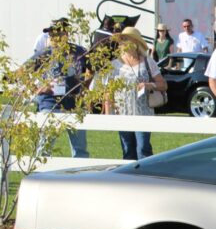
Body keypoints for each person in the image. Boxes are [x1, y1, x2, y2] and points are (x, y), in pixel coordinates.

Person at [99, 27, 168, 160]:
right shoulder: (114, 65)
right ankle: (129, 180)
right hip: (123, 114)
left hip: (143, 114)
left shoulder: (148, 62)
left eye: (126, 39)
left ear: (135, 42)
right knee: (127, 150)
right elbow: (109, 92)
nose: (123, 43)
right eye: (122, 40)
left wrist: (149, 85)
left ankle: (146, 178)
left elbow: (163, 85)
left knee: (143, 148)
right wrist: (108, 115)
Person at [28, 18, 89, 158]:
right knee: (45, 147)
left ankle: (79, 179)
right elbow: (22, 73)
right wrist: (38, 89)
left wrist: (84, 86)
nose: (53, 37)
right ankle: (41, 178)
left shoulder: (79, 51)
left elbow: (94, 68)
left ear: (66, 34)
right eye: (51, 34)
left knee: (80, 149)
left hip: (74, 104)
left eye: (56, 33)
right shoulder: (45, 54)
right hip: (50, 103)